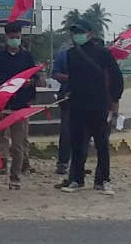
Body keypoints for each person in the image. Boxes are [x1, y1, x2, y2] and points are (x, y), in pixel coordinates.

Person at [60, 18, 123, 196]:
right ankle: (76, 179)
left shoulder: (103, 53)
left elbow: (116, 77)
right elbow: (72, 79)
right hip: (78, 104)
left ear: (90, 34)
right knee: (77, 144)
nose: (77, 35)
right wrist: (68, 93)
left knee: (101, 143)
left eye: (80, 32)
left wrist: (114, 99)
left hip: (99, 104)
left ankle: (103, 180)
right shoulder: (71, 54)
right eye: (75, 32)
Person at [0, 21, 38, 189]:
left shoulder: (27, 56)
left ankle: (15, 177)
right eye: (12, 37)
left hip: (21, 105)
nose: (15, 40)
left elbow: (34, 77)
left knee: (18, 144)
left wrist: (30, 85)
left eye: (17, 37)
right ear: (6, 37)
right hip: (2, 105)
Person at [51, 39, 73, 176]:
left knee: (83, 133)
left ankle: (78, 163)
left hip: (86, 97)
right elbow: (55, 74)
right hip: (67, 96)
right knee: (66, 131)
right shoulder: (64, 54)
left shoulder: (91, 54)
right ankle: (63, 163)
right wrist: (71, 77)